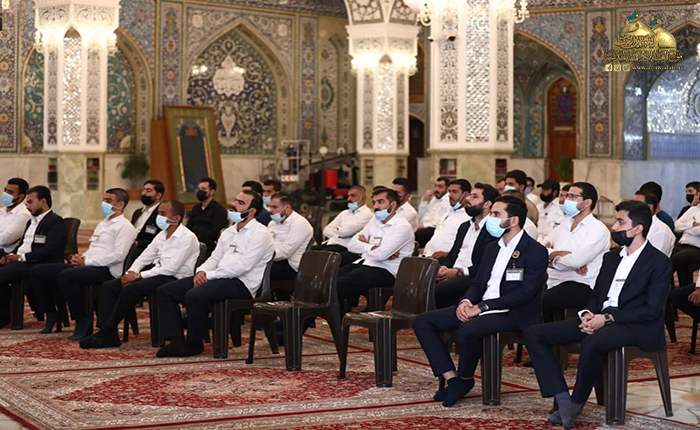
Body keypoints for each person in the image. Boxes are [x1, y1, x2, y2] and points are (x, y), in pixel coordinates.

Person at [525, 200, 671, 429]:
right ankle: (562, 398)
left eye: (620, 222)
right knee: (534, 334)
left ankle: (577, 402)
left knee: (594, 340)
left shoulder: (659, 262)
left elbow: (651, 310)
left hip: (636, 325)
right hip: (601, 318)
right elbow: (596, 295)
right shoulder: (611, 258)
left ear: (638, 228)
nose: (614, 227)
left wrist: (608, 319)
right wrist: (587, 314)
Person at [412, 196, 548, 407]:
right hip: (482, 306)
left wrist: (482, 307)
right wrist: (466, 301)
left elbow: (525, 293)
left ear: (513, 220)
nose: (490, 218)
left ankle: (465, 378)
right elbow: (478, 282)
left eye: (496, 214)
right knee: (422, 321)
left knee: (469, 328)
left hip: (512, 312)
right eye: (491, 213)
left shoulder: (535, 251)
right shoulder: (492, 247)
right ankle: (453, 380)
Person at [156, 190, 274, 357]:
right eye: (236, 200)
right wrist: (202, 271)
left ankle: (194, 344)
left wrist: (209, 275)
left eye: (241, 203)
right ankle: (176, 341)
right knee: (166, 291)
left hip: (242, 283)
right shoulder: (228, 232)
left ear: (252, 211)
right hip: (218, 277)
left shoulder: (261, 234)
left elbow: (243, 267)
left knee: (194, 295)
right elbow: (214, 258)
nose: (234, 204)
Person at [79, 200, 200, 349]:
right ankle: (109, 334)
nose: (159, 217)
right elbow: (144, 256)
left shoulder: (187, 237)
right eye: (158, 213)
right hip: (157, 274)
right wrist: (131, 272)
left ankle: (107, 331)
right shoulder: (162, 235)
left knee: (131, 289)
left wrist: (138, 276)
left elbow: (170, 269)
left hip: (175, 278)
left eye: (163, 214)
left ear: (176, 218)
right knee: (109, 286)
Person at [29, 188, 137, 339]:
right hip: (90, 264)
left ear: (120, 204)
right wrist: (80, 258)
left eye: (109, 201)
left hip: (107, 270)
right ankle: (51, 313)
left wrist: (87, 262)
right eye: (104, 200)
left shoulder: (125, 227)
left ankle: (81, 320)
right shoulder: (103, 224)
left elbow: (118, 256)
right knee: (38, 271)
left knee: (67, 276)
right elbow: (94, 248)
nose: (104, 203)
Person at [542, 182, 610, 322]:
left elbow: (576, 261)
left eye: (573, 196)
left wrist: (551, 261)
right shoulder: (564, 224)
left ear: (587, 202)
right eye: (567, 196)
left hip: (580, 284)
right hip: (553, 282)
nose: (566, 200)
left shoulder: (597, 229)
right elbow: (540, 250)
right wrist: (560, 253)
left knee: (535, 303)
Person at [0, 186, 66, 329]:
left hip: (40, 263)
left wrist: (21, 258)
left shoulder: (54, 221)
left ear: (43, 201)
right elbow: (23, 244)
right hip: (24, 261)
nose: (27, 206)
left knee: (2, 274)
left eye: (30, 202)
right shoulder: (31, 221)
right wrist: (9, 256)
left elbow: (49, 250)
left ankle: (4, 316)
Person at [338, 188, 414, 309]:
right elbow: (352, 245)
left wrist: (364, 250)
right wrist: (373, 248)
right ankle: (338, 314)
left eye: (380, 202)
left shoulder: (402, 226)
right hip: (365, 263)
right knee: (327, 279)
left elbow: (381, 255)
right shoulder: (375, 220)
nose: (376, 206)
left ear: (393, 205)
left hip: (385, 270)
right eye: (374, 202)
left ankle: (331, 315)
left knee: (338, 285)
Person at [433, 183, 500, 309]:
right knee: (422, 280)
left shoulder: (494, 230)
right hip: (454, 272)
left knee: (439, 290)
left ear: (487, 204)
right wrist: (444, 268)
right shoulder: (464, 226)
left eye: (474, 197)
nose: (468, 199)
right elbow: (452, 255)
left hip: (474, 276)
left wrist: (459, 272)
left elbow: (488, 264)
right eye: (469, 196)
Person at [315, 185, 372, 266]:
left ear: (363, 198)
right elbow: (326, 230)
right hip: (330, 243)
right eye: (348, 196)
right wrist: (341, 234)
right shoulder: (345, 213)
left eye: (353, 196)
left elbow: (346, 232)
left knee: (318, 258)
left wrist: (339, 231)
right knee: (307, 252)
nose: (349, 199)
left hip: (344, 246)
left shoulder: (366, 214)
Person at [268, 192, 314, 282]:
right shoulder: (272, 223)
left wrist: (263, 256)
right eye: (270, 207)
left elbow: (285, 253)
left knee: (256, 270)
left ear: (287, 207)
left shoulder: (299, 223)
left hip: (291, 266)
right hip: (274, 259)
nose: (270, 210)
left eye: (274, 207)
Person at [422, 179, 471, 258]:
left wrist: (448, 254)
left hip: (445, 260)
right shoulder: (448, 212)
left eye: (454, 192)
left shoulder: (468, 217)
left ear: (466, 195)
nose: (450, 195)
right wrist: (427, 248)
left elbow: (467, 246)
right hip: (428, 255)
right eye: (449, 191)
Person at [186, 177, 228, 252]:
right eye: (199, 189)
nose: (200, 191)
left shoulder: (219, 209)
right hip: (192, 241)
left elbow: (216, 230)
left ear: (212, 191)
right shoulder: (196, 208)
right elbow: (189, 226)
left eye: (203, 189)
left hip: (208, 244)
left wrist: (199, 236)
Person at [633, 189, 674, 258]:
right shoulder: (634, 225)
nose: (632, 209)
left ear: (650, 207)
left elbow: (654, 259)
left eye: (636, 205)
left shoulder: (661, 231)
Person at [672, 192, 700, 288]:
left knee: (670, 262)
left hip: (696, 247)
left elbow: (699, 231)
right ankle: (672, 292)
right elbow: (676, 226)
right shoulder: (692, 209)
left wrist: (685, 228)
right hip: (681, 244)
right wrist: (691, 225)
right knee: (664, 258)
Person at [416, 177, 451, 247]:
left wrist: (424, 226)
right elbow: (421, 216)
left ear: (447, 189)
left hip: (435, 229)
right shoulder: (434, 199)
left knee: (418, 234)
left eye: (440, 187)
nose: (436, 189)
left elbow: (440, 221)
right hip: (425, 226)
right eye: (435, 186)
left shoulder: (448, 200)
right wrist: (425, 199)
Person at [131, 179, 164, 251]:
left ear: (158, 195)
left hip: (149, 250)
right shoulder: (137, 212)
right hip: (132, 248)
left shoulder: (162, 214)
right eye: (143, 190)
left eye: (148, 191)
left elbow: (160, 237)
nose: (144, 193)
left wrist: (138, 243)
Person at [0, 178, 31, 254]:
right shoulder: (1, 211)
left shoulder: (24, 214)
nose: (5, 194)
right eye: (5, 190)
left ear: (20, 197)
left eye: (10, 192)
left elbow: (4, 240)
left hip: (7, 255)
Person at [536, 179, 565, 243]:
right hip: (537, 238)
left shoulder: (560, 207)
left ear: (554, 192)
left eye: (546, 190)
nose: (542, 192)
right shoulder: (538, 206)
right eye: (542, 189)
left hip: (551, 241)